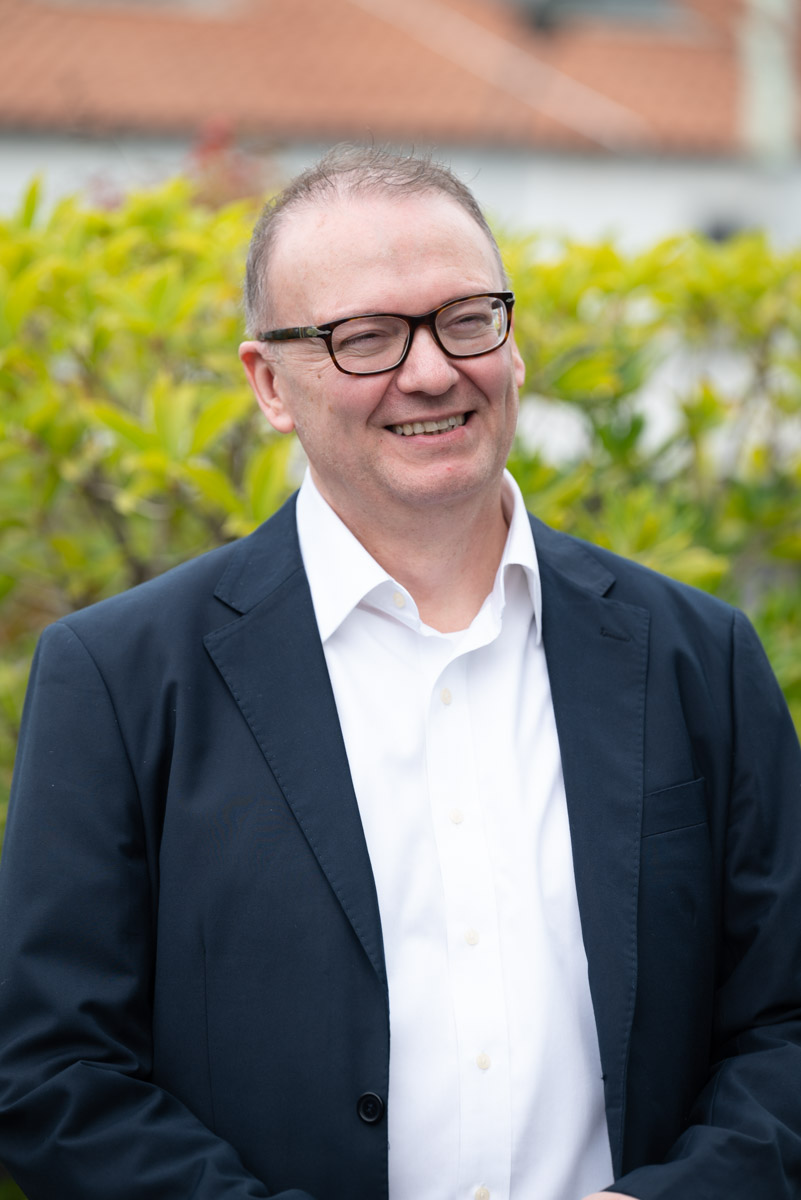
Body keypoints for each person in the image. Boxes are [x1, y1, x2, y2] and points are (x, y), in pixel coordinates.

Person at [0, 146, 799, 1200]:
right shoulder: (120, 678)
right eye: (365, 337)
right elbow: (55, 1073)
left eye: (466, 318)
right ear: (269, 384)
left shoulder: (699, 655)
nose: (430, 371)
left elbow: (785, 1025)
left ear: (513, 343)